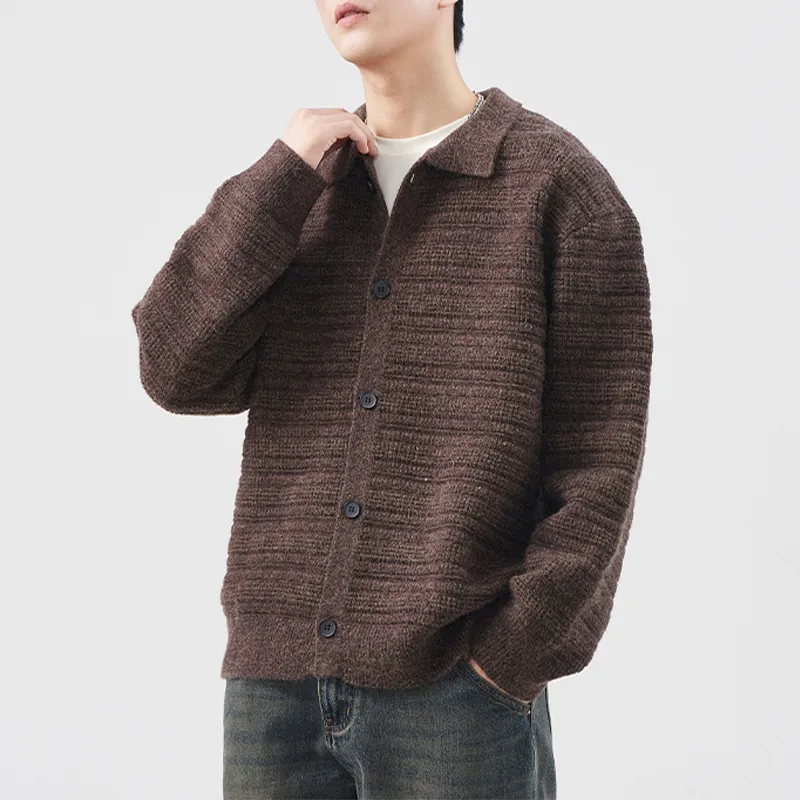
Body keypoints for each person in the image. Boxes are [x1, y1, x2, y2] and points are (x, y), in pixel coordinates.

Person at [131, 1, 653, 797]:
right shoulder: (304, 187)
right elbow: (175, 369)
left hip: (455, 694)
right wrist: (280, 174)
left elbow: (599, 460)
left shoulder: (555, 186)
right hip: (272, 690)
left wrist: (511, 657)